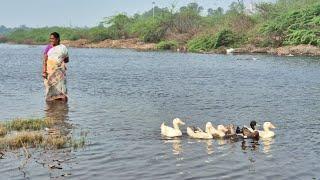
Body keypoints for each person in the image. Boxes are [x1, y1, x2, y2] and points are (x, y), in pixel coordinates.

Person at [42, 32, 69, 101]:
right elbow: (45, 60)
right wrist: (44, 71)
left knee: (62, 91)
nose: (51, 40)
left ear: (57, 39)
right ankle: (51, 110)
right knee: (50, 90)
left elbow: (67, 60)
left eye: (53, 38)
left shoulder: (63, 48)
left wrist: (60, 62)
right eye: (50, 38)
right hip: (50, 72)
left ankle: (63, 110)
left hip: (60, 73)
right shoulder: (48, 47)